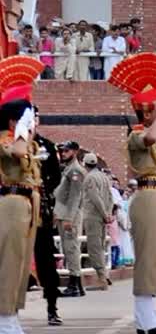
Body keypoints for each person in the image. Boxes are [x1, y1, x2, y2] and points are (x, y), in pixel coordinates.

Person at [108, 53, 156, 334]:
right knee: (148, 257)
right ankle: (144, 318)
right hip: (148, 197)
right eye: (152, 108)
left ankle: (152, 314)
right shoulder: (138, 134)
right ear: (145, 112)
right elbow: (150, 138)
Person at [0, 61, 43, 334]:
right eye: (29, 117)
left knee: (21, 263)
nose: (34, 123)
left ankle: (12, 314)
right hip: (11, 202)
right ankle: (4, 318)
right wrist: (21, 130)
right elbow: (17, 153)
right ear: (14, 121)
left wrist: (28, 132)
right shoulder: (5, 138)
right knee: (9, 260)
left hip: (27, 204)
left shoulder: (28, 142)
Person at [32, 106, 64, 325]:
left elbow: (56, 176)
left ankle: (52, 307)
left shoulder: (47, 146)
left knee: (45, 258)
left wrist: (44, 187)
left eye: (33, 118)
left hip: (40, 206)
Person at [52, 140, 86, 298]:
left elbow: (75, 197)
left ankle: (75, 285)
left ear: (75, 152)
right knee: (68, 249)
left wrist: (69, 218)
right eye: (62, 151)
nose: (63, 154)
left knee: (71, 249)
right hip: (63, 213)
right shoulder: (69, 169)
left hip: (69, 215)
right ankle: (76, 285)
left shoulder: (75, 171)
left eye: (66, 151)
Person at [82, 153, 113, 291]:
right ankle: (104, 276)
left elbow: (95, 198)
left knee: (94, 247)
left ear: (85, 164)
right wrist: (109, 213)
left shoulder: (89, 178)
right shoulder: (104, 177)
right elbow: (110, 196)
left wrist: (104, 213)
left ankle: (101, 278)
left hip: (94, 215)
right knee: (100, 247)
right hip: (103, 215)